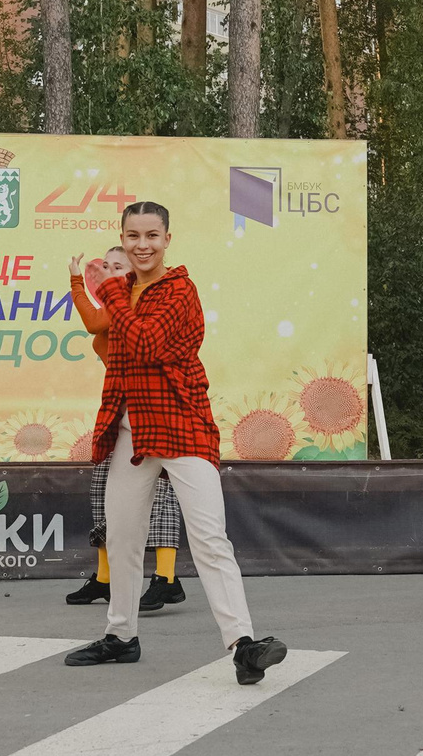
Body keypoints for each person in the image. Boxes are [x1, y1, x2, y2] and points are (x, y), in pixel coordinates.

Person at [63, 202, 289, 682]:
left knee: (209, 538)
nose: (141, 245)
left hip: (180, 424)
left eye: (151, 235)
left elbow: (144, 343)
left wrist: (109, 292)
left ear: (168, 239)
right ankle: (121, 636)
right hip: (130, 430)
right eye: (132, 235)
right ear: (122, 238)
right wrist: (84, 286)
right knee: (122, 537)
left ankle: (243, 644)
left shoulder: (179, 291)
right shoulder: (120, 290)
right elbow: (103, 332)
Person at [65, 243, 188, 615]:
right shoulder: (118, 303)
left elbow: (93, 323)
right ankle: (105, 578)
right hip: (123, 410)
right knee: (104, 489)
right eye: (105, 265)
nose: (109, 271)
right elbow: (97, 321)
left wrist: (75, 282)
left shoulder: (138, 303)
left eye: (118, 266)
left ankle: (166, 578)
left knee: (163, 495)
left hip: (159, 410)